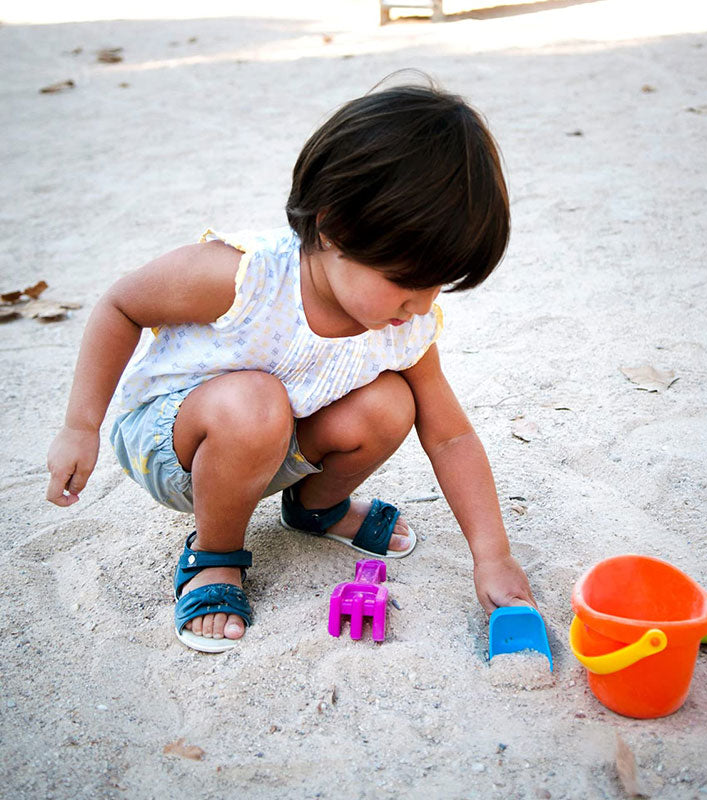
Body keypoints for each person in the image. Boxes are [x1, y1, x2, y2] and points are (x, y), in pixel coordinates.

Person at [46, 83, 536, 653]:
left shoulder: (405, 324)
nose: (423, 305)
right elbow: (121, 305)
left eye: (437, 286)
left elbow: (450, 436)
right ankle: (214, 557)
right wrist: (80, 426)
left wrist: (493, 555)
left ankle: (315, 508)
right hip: (175, 443)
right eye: (407, 282)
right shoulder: (244, 277)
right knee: (255, 403)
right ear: (333, 228)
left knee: (393, 402)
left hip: (277, 442)